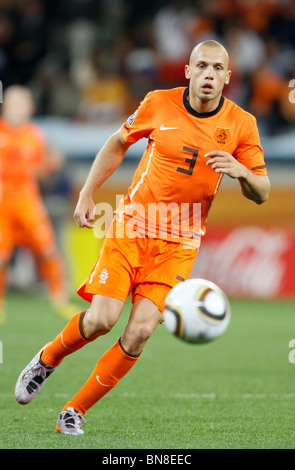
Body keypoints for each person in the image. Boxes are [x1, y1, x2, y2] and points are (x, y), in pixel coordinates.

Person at [15, 40, 270, 435]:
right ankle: (47, 359)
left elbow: (263, 191)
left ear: (227, 77)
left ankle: (74, 412)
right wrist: (87, 193)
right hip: (133, 226)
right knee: (102, 320)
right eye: (201, 65)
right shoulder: (158, 102)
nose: (208, 74)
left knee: (139, 333)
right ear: (187, 71)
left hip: (180, 243)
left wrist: (241, 172)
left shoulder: (242, 124)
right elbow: (118, 142)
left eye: (217, 68)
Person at [0, 85, 75, 323]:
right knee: (1, 256)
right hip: (2, 203)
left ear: (30, 107)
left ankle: (59, 298)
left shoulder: (35, 135)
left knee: (47, 249)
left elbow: (40, 169)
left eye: (22, 103)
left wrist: (50, 165)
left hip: (27, 201)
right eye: (13, 102)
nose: (17, 108)